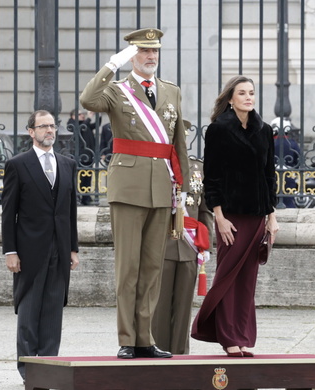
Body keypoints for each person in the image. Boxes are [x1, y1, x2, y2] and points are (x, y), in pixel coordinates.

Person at [80, 27, 189, 359]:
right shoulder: (117, 91)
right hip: (128, 187)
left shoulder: (171, 91)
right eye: (144, 52)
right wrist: (113, 64)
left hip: (161, 188)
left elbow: (178, 144)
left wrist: (181, 190)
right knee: (127, 267)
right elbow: (88, 99)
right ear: (132, 56)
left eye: (155, 51)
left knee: (152, 267)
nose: (151, 57)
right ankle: (128, 337)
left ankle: (146, 338)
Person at [190, 76, 279, 357]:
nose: (248, 98)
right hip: (230, 216)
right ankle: (225, 334)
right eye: (242, 93)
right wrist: (218, 216)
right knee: (228, 276)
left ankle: (241, 336)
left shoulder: (264, 131)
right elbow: (211, 177)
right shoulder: (218, 130)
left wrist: (272, 216)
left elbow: (268, 176)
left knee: (247, 279)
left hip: (257, 216)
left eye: (251, 93)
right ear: (230, 98)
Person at [1, 110, 79, 380]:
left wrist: (72, 248)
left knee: (53, 311)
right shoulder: (18, 164)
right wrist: (10, 251)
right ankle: (27, 368)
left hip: (59, 248)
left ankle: (49, 366)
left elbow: (70, 210)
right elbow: (8, 212)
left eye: (52, 126)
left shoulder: (67, 164)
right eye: (43, 126)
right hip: (29, 251)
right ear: (31, 132)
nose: (49, 130)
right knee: (29, 310)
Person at [152, 155, 213, 355]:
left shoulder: (198, 167)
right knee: (160, 306)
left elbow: (205, 211)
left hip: (190, 246)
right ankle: (158, 351)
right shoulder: (159, 164)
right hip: (163, 244)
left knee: (184, 307)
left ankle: (180, 354)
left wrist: (207, 246)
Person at [67, 109, 96, 205]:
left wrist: (97, 115)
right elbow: (78, 129)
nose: (82, 116)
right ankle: (78, 198)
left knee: (88, 177)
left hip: (89, 155)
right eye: (79, 114)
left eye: (82, 114)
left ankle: (86, 198)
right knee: (80, 178)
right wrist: (88, 118)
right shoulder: (72, 124)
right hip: (80, 156)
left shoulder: (84, 123)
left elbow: (95, 125)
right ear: (73, 116)